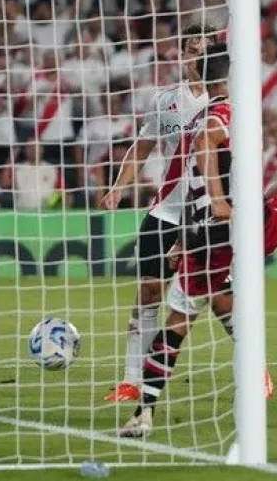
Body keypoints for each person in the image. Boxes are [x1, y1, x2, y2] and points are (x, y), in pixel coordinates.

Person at [119, 46, 277, 437]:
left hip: (205, 234)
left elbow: (193, 181)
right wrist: (222, 200)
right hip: (243, 225)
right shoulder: (225, 115)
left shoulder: (201, 116)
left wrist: (185, 240)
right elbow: (208, 145)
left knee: (178, 323)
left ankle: (144, 412)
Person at [101, 24, 214, 403]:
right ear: (183, 56)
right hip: (167, 211)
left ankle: (255, 373)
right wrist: (119, 186)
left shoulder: (229, 102)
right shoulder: (164, 100)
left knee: (225, 297)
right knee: (149, 292)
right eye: (192, 48)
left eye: (204, 48)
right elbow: (142, 146)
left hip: (211, 214)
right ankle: (133, 379)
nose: (198, 55)